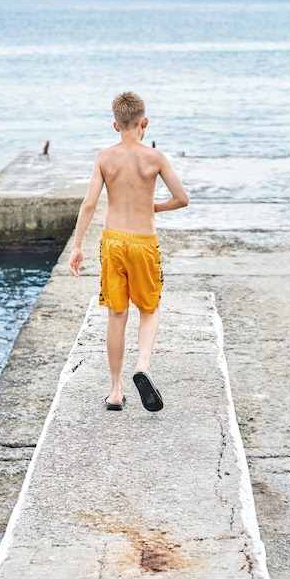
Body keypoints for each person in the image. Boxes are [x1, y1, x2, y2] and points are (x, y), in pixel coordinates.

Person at [68, 92, 189, 412]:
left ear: (115, 125)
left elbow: (90, 203)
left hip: (113, 242)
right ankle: (143, 366)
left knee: (116, 314)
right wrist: (154, 208)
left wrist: (77, 245)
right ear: (144, 122)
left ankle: (116, 390)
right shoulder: (156, 157)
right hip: (143, 242)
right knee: (149, 309)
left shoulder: (104, 158)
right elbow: (182, 199)